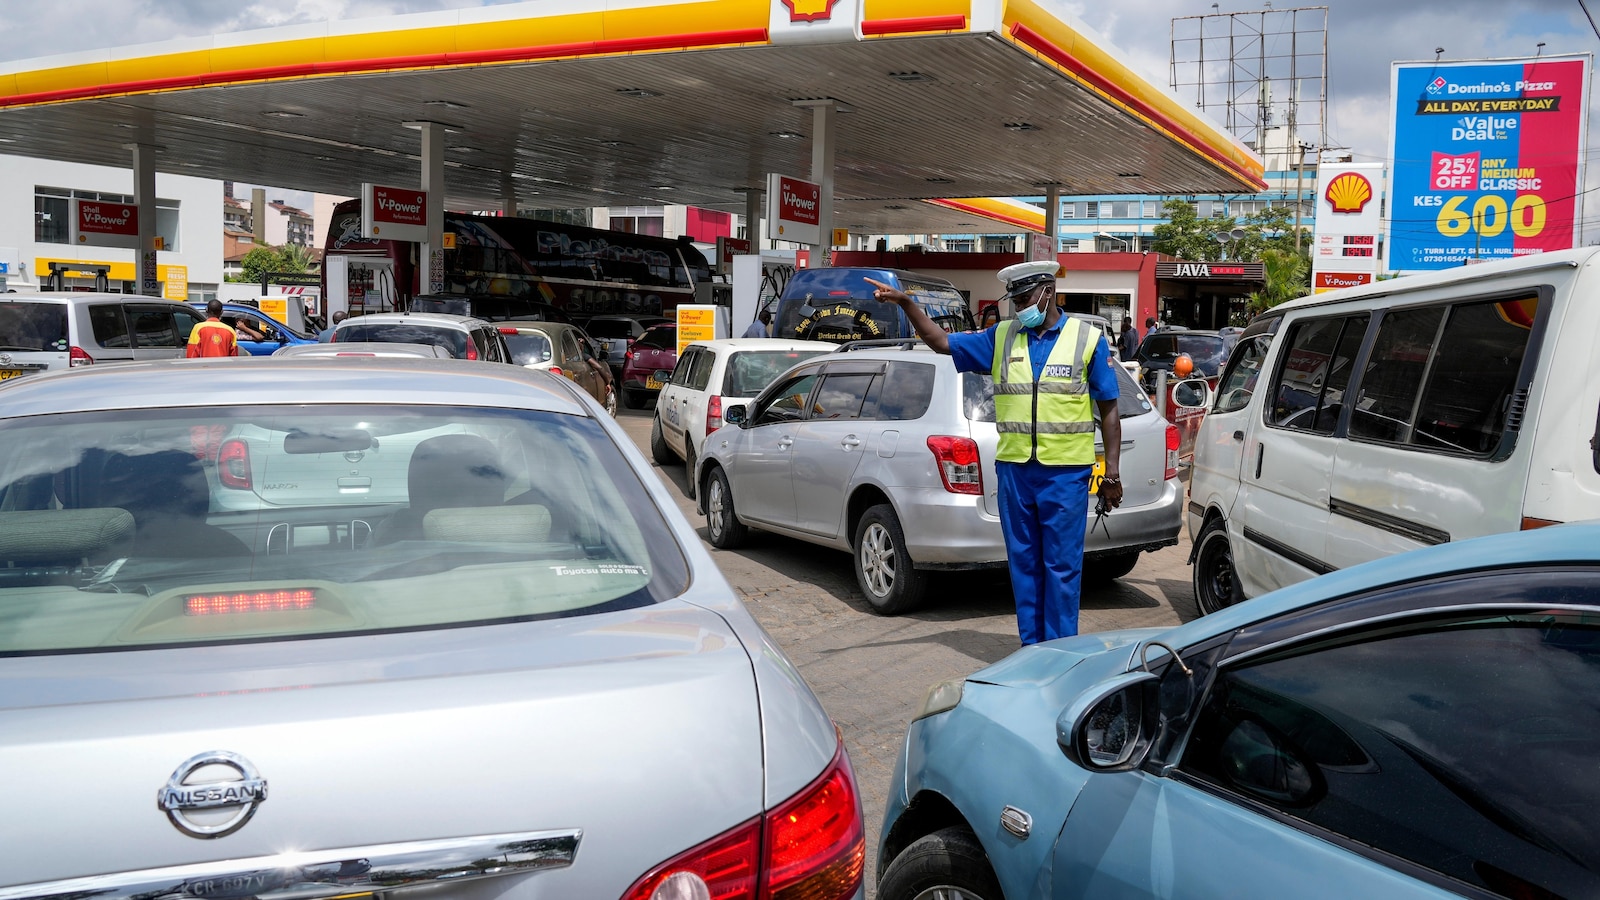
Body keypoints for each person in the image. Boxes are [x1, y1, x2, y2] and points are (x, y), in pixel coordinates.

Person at [867, 262, 1123, 646]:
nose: (1019, 309)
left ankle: (1060, 654)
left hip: (1066, 475)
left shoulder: (1086, 339)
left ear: (1047, 292)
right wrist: (907, 303)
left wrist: (1113, 475)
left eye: (1024, 300)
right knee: (1023, 567)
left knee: (1062, 569)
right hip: (1015, 474)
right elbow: (941, 342)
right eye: (1015, 301)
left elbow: (1109, 410)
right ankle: (1032, 651)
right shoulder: (1001, 337)